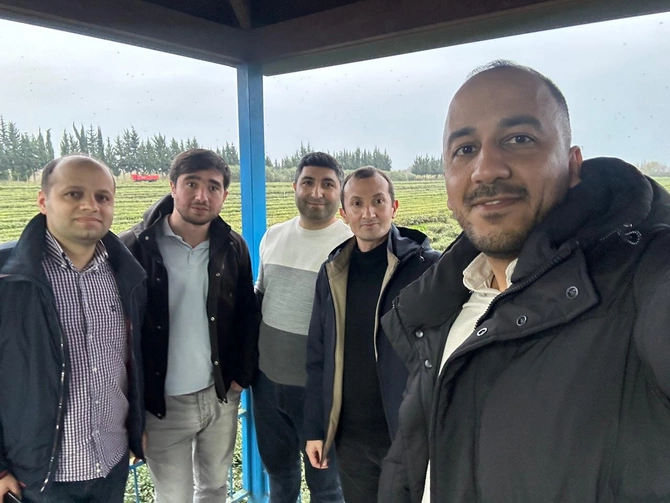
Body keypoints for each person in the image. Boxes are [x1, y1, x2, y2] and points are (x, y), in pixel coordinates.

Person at [378, 60, 670, 503]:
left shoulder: (644, 278)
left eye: (518, 139)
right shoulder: (440, 307)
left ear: (572, 164)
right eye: (465, 149)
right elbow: (413, 463)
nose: (486, 169)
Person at [0, 154, 146, 503]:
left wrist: (137, 431)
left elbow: (135, 363)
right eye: (73, 194)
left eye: (102, 197)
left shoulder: (128, 276)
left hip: (110, 464)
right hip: (36, 477)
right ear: (43, 201)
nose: (90, 205)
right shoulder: (9, 277)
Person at [120, 148, 259, 503]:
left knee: (214, 489)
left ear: (224, 195)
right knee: (174, 497)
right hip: (162, 404)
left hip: (219, 395)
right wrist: (132, 410)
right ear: (172, 187)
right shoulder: (133, 248)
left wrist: (240, 377)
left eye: (213, 187)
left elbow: (247, 312)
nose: (202, 196)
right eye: (192, 184)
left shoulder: (232, 246)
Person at [304, 166, 440, 503]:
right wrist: (316, 429)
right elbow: (317, 354)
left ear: (394, 207)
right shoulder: (332, 271)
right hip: (351, 436)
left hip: (406, 435)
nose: (369, 213)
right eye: (357, 204)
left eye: (378, 201)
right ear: (344, 214)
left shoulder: (425, 268)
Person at [252, 152, 351, 503]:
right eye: (308, 182)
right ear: (294, 186)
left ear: (340, 192)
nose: (316, 192)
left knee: (327, 488)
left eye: (327, 184)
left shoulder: (352, 245)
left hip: (320, 394)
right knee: (280, 478)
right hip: (267, 386)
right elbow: (261, 296)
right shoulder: (273, 236)